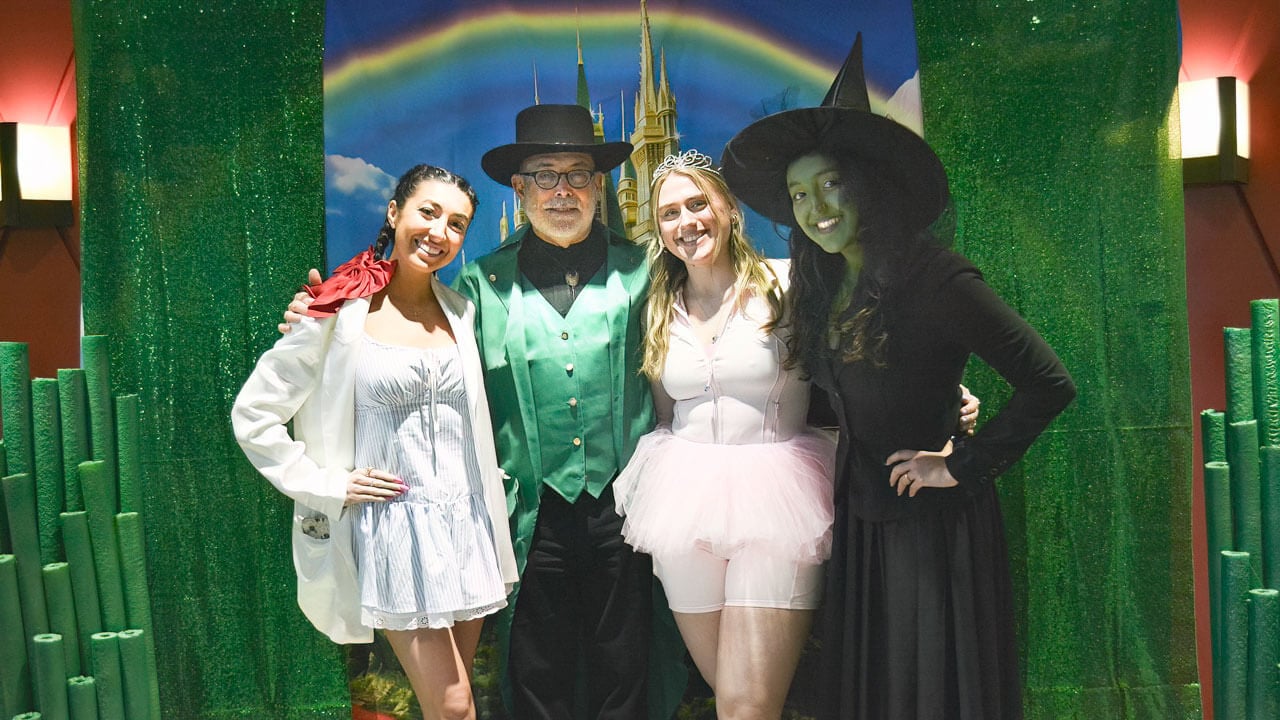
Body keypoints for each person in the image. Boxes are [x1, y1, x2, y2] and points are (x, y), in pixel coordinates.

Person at [721, 36, 1077, 720]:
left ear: (868, 182)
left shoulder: (938, 276)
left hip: (932, 531)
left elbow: (1048, 382)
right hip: (862, 524)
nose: (816, 206)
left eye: (831, 183)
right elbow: (846, 395)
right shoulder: (826, 282)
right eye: (799, 193)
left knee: (933, 695)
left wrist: (962, 462)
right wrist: (945, 392)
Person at [232, 164, 519, 720]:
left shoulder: (462, 312)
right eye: (428, 213)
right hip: (389, 527)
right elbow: (254, 415)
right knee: (457, 705)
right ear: (395, 213)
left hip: (465, 526)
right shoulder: (337, 308)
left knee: (450, 707)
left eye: (456, 224)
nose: (440, 233)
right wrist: (327, 485)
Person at [452, 103, 685, 720]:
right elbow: (420, 355)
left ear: (598, 184)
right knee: (537, 670)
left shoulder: (644, 270)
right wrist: (326, 322)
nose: (563, 190)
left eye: (578, 174)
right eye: (546, 175)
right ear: (520, 188)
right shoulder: (482, 283)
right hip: (531, 511)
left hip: (625, 507)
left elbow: (723, 321)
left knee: (625, 663)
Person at [610, 149, 835, 720]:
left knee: (746, 704)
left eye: (698, 204)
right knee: (730, 699)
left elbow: (866, 346)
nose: (686, 222)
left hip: (779, 502)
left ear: (729, 209)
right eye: (669, 214)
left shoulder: (787, 285)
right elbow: (665, 414)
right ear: (657, 230)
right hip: (683, 506)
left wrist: (941, 400)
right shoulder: (659, 310)